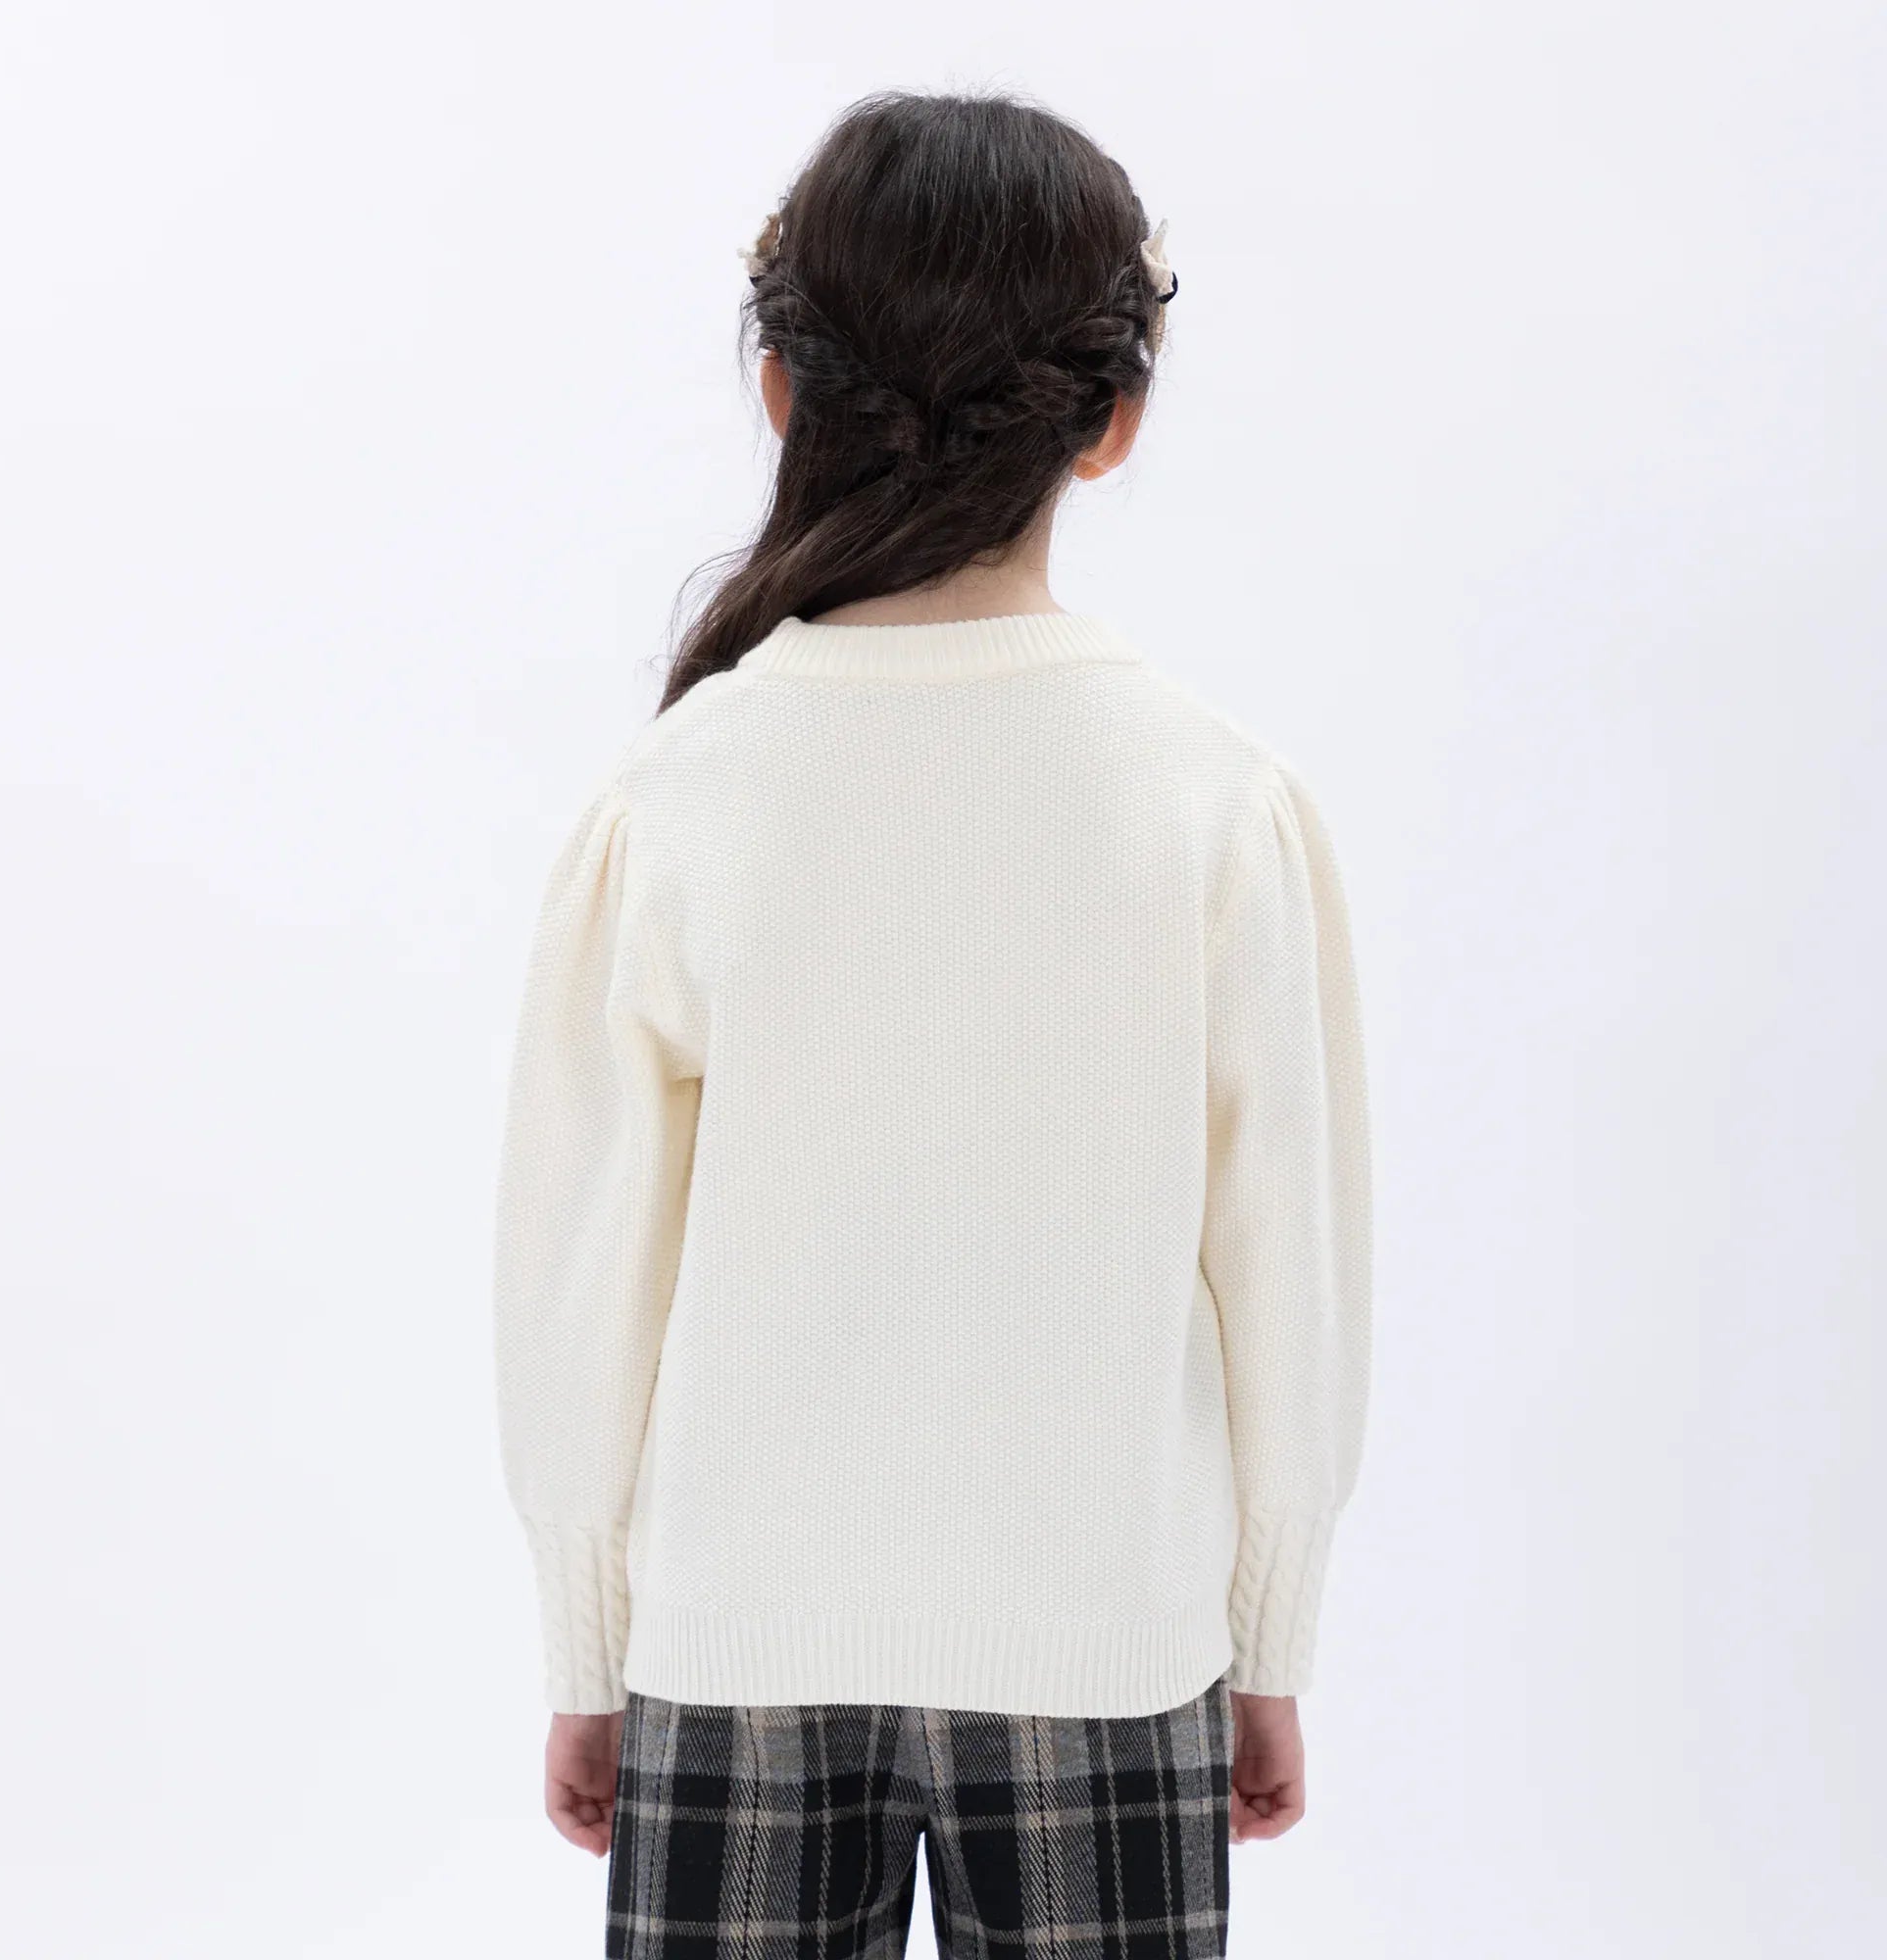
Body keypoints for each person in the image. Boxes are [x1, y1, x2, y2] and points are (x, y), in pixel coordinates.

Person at [493, 87, 1372, 1960]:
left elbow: (581, 1269)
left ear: (783, 390)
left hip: (734, 1651)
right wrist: (1266, 1635)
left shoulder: (680, 796)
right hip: (1105, 1642)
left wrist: (589, 1643)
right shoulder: (1214, 807)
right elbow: (1287, 1258)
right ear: (1113, 420)